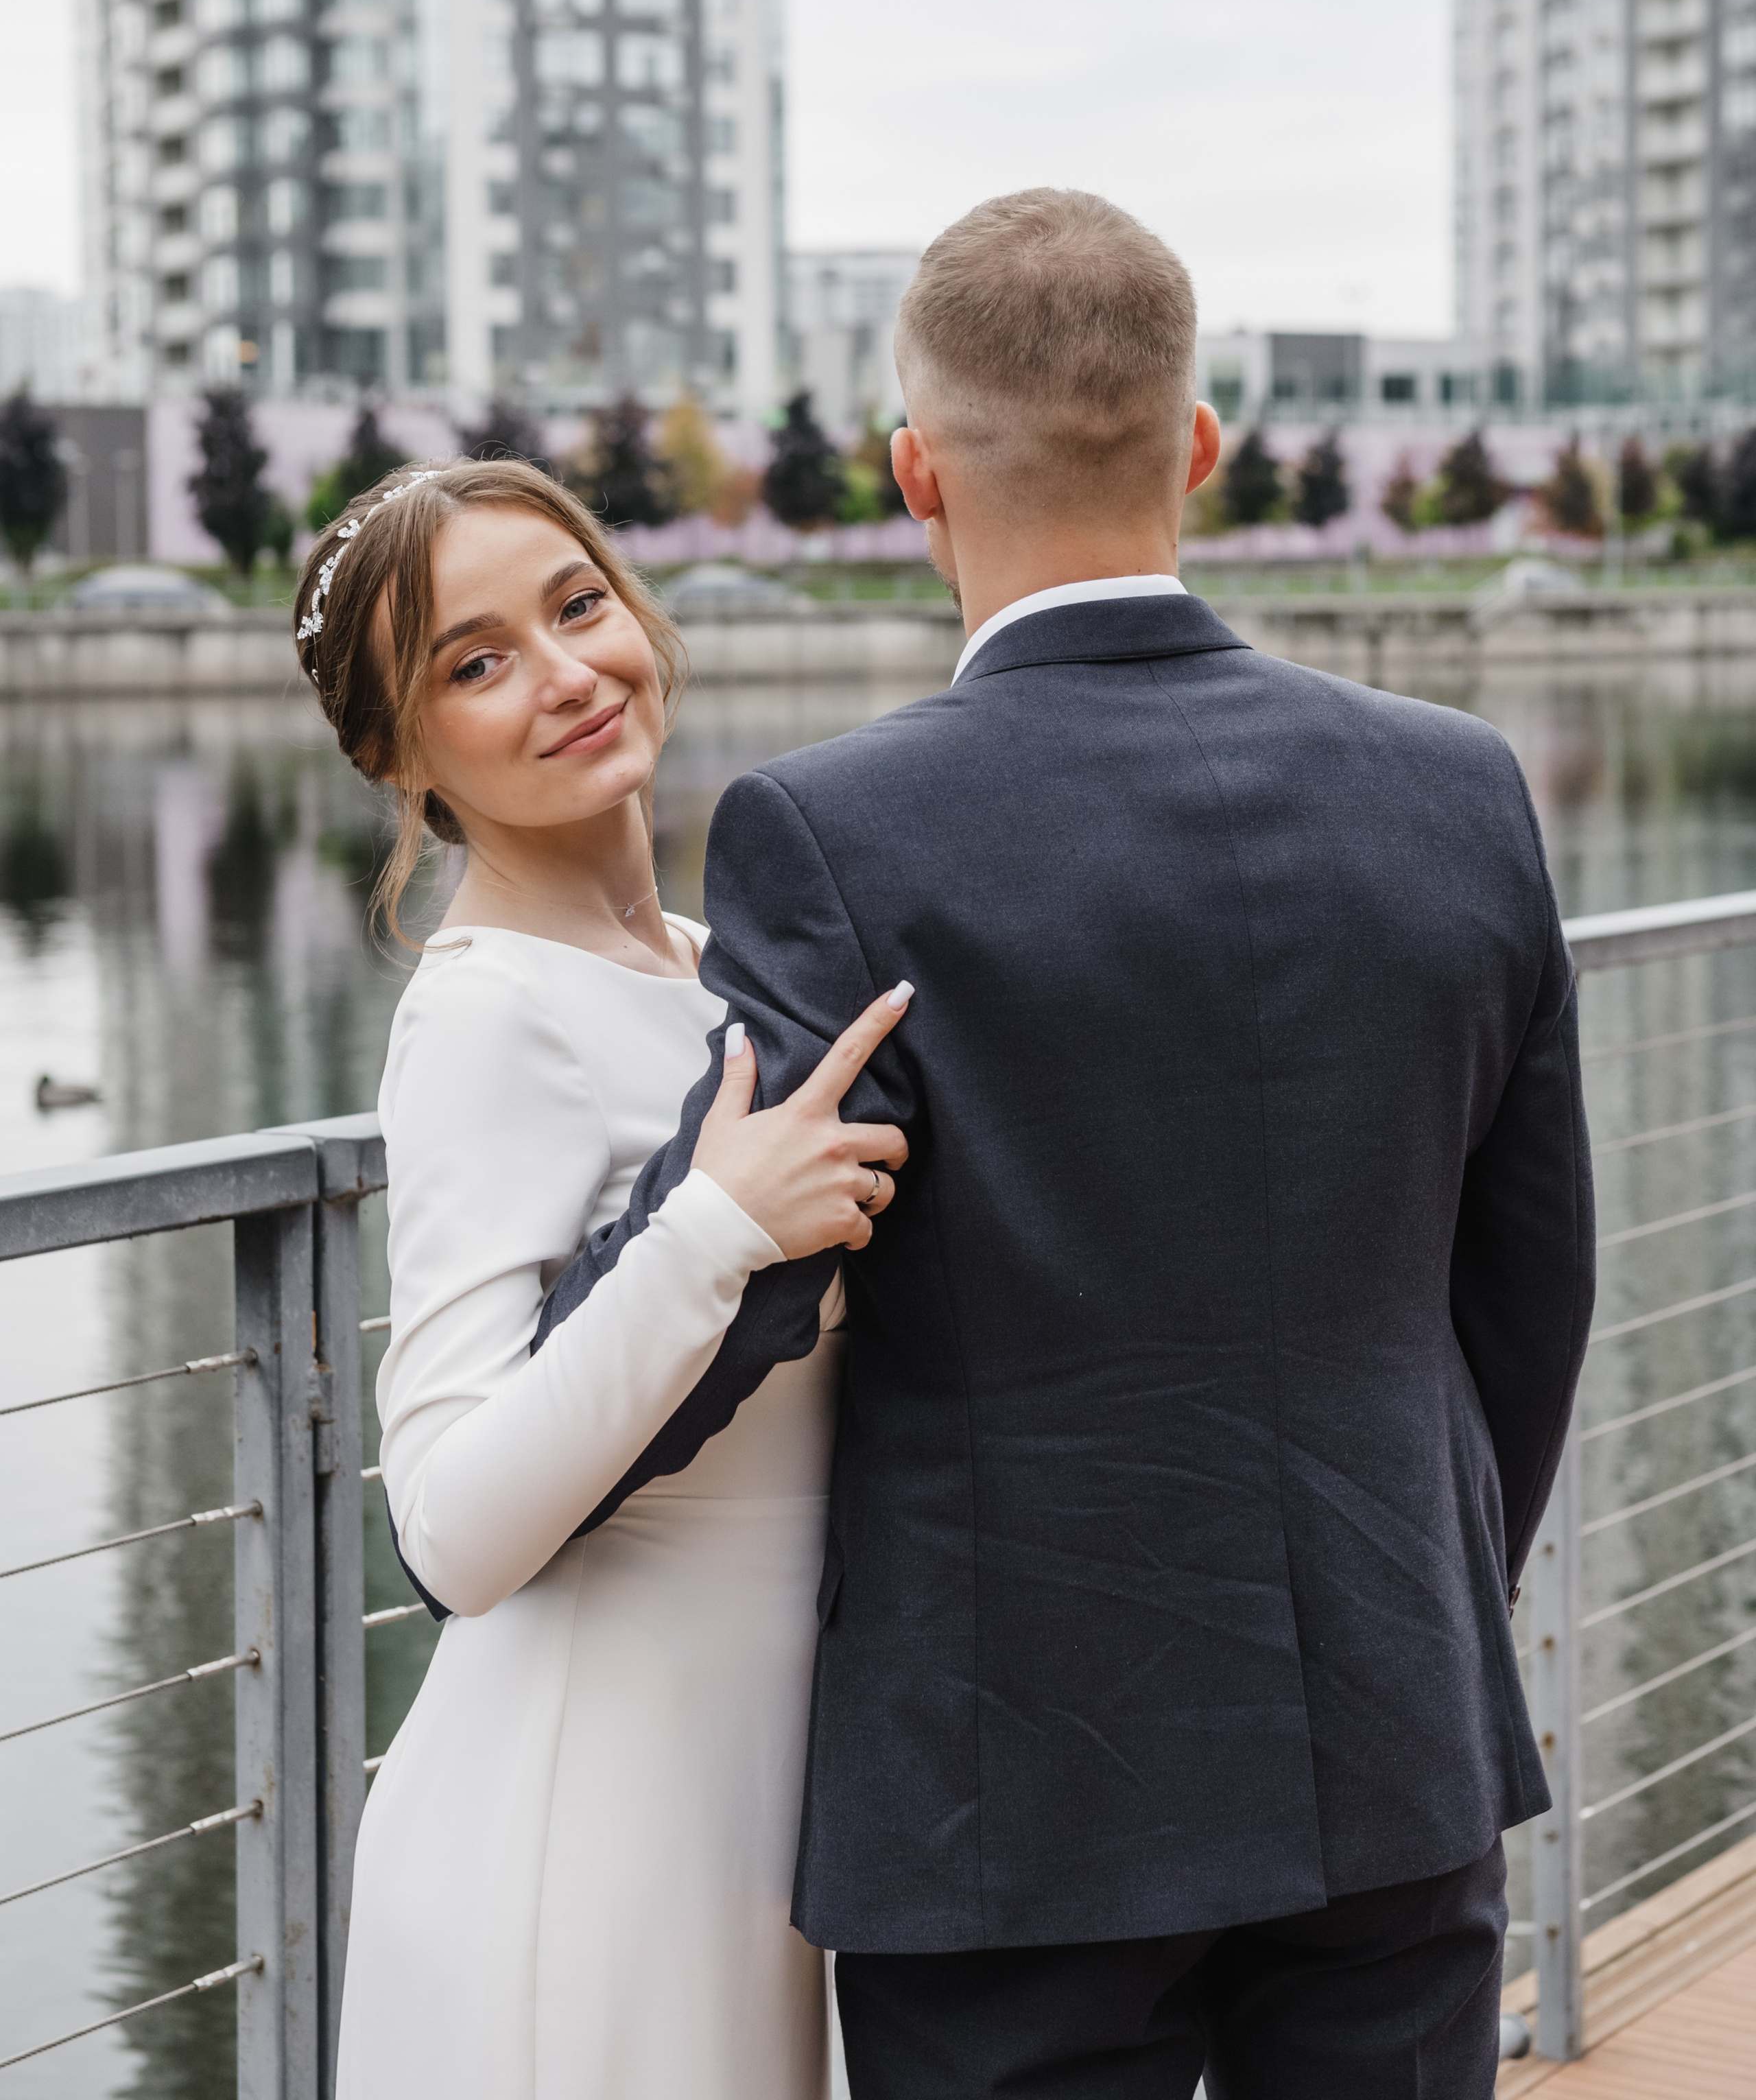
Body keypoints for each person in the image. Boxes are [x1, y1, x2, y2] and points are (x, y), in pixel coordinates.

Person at [537, 189, 1596, 2099]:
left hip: (1005, 1789)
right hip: (1394, 1730)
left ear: (911, 475)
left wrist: (515, 1450)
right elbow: (1532, 1295)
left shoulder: (832, 837)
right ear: (1201, 445)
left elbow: (752, 1295)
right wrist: (1411, 1587)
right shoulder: (1460, 795)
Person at [295, 457, 911, 2100]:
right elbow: (449, 1524)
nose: (565, 673)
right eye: (472, 663)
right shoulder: (488, 1015)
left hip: (764, 1801)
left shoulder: (712, 966)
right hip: (589, 1835)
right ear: (395, 755)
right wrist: (706, 1231)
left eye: (576, 606)